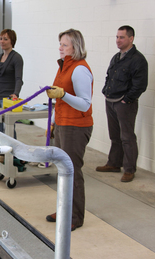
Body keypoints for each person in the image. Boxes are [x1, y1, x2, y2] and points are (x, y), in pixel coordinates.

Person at [45, 29, 93, 231]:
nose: (60, 48)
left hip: (76, 126)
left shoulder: (80, 69)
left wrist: (63, 94)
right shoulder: (64, 66)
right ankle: (64, 210)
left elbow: (84, 104)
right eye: (60, 44)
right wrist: (54, 121)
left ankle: (75, 217)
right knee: (62, 169)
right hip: (63, 124)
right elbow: (60, 99)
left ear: (76, 47)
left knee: (72, 170)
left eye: (64, 45)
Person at [96, 25, 148, 183]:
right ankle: (114, 163)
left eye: (122, 37)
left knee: (127, 137)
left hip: (124, 104)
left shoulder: (138, 60)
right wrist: (105, 91)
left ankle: (129, 169)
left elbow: (140, 85)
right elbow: (108, 76)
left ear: (131, 39)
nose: (118, 40)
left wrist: (127, 99)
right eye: (117, 37)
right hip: (110, 101)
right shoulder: (116, 57)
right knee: (114, 136)